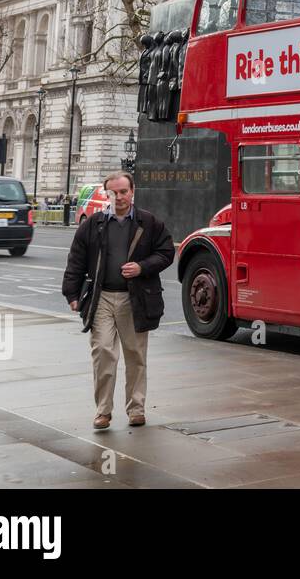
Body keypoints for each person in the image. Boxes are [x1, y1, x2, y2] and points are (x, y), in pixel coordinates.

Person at [61, 172, 174, 430]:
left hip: (135, 299)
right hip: (102, 297)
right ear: (106, 194)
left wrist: (142, 267)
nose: (120, 197)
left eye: (124, 191)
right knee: (103, 352)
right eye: (114, 192)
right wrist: (72, 293)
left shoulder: (149, 222)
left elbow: (167, 252)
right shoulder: (93, 224)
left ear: (132, 192)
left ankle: (136, 409)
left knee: (135, 355)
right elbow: (76, 258)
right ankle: (103, 411)